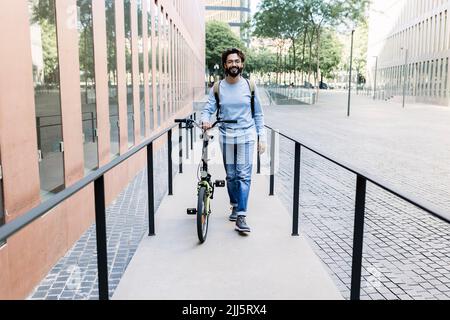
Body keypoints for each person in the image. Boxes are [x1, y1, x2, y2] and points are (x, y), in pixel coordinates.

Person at [201, 48, 266, 233]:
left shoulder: (250, 86)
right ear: (225, 65)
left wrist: (262, 138)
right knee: (231, 175)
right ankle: (235, 204)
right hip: (227, 137)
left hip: (246, 136)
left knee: (243, 175)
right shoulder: (217, 87)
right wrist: (205, 120)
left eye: (237, 61)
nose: (234, 64)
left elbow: (258, 115)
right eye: (230, 62)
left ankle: (241, 216)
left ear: (242, 64)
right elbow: (207, 109)